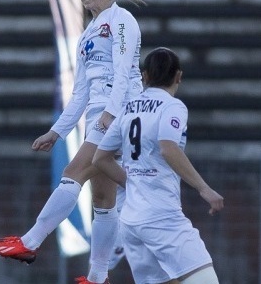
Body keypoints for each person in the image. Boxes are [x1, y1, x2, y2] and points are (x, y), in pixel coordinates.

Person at [0, 0, 146, 284]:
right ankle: (98, 277)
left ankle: (28, 243)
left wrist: (107, 118)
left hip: (121, 112)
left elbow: (124, 74)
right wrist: (56, 132)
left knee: (73, 172)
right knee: (103, 200)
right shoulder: (87, 35)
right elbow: (80, 94)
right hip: (98, 115)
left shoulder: (122, 20)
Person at [92, 47, 225, 284]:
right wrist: (205, 189)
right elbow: (168, 148)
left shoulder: (128, 108)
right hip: (162, 217)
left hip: (132, 221)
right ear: (178, 76)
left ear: (144, 76)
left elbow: (100, 158)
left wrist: (131, 183)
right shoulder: (172, 107)